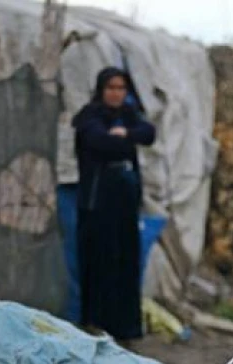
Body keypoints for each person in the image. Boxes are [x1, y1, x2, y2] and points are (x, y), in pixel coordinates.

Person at [71, 67, 156, 342]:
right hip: (97, 204)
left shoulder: (128, 116)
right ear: (101, 89)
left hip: (125, 203)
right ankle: (96, 325)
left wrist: (125, 134)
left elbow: (148, 132)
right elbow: (100, 142)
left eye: (121, 88)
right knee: (99, 264)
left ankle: (125, 330)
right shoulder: (89, 115)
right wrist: (123, 138)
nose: (116, 93)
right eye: (111, 88)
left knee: (126, 262)